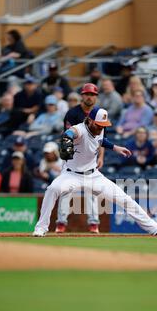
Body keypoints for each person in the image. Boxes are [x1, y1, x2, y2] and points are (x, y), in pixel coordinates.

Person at [33, 107, 157, 237]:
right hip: (71, 175)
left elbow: (101, 140)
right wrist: (67, 137)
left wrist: (115, 147)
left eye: (103, 125)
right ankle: (41, 227)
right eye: (99, 125)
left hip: (94, 176)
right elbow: (71, 132)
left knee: (125, 199)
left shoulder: (98, 129)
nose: (101, 128)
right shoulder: (80, 129)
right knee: (52, 189)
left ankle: (154, 228)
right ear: (89, 120)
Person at [57, 83, 103, 234]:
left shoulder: (99, 114)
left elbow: (102, 139)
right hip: (73, 158)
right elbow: (67, 137)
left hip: (90, 159)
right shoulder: (72, 113)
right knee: (65, 190)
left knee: (92, 191)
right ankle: (61, 223)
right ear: (82, 95)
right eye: (87, 94)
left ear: (96, 97)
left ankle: (94, 224)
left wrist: (101, 156)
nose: (89, 96)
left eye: (93, 94)